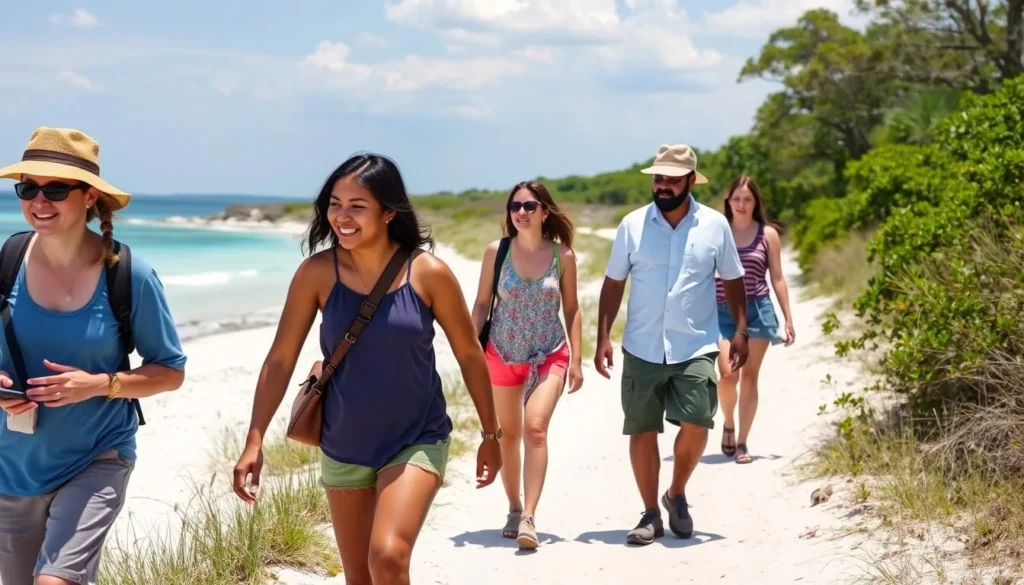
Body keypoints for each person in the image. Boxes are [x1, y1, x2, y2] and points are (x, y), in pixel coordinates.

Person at [232, 153, 502, 584]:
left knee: (388, 557)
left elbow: (470, 354)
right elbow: (280, 359)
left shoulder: (428, 273)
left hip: (416, 438)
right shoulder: (316, 274)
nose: (342, 216)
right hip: (343, 444)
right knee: (359, 577)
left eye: (357, 206)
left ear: (389, 212)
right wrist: (254, 439)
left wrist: (491, 434)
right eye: (335, 204)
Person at [0, 127, 187, 585]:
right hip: (12, 464)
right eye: (29, 187)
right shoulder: (6, 261)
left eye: (57, 189)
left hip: (96, 457)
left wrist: (101, 384)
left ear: (89, 197)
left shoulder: (129, 274)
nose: (39, 200)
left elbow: (170, 371)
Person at [594, 143, 749, 545]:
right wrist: (602, 337)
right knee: (642, 429)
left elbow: (733, 279)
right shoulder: (632, 225)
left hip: (695, 344)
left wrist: (741, 330)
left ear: (691, 181)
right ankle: (649, 514)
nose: (662, 186)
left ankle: (676, 491)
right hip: (642, 344)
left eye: (671, 179)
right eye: (658, 178)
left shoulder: (715, 225)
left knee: (698, 421)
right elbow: (614, 283)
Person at [471, 180, 583, 549]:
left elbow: (572, 309)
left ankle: (530, 517)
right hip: (502, 352)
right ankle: (514, 507)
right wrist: (470, 350)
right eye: (515, 206)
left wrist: (577, 361)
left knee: (535, 428)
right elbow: (482, 304)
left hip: (550, 352)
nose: (521, 212)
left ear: (544, 211)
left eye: (529, 206)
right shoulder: (496, 251)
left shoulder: (562, 256)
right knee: (510, 434)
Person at [715, 176, 794, 464]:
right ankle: (728, 421)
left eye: (747, 199)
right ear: (728, 201)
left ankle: (742, 443)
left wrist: (787, 318)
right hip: (723, 311)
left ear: (756, 202)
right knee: (726, 374)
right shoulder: (718, 231)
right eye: (736, 198)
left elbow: (778, 278)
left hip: (758, 311)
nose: (741, 204)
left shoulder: (768, 234)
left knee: (749, 376)